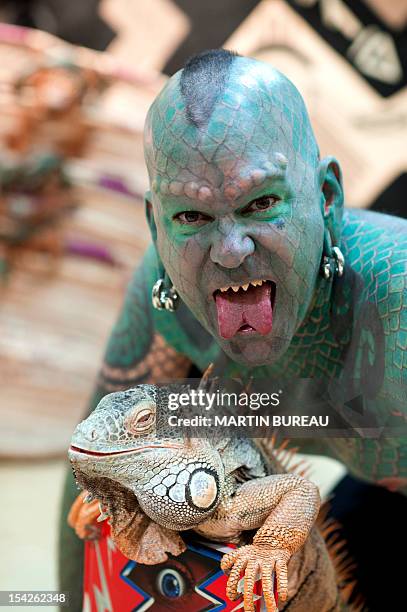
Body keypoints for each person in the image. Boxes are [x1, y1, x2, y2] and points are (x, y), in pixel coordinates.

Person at [59, 50, 407, 610]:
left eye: (262, 203)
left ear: (326, 198)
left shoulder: (397, 292)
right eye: (191, 217)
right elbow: (99, 455)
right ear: (156, 225)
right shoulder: (164, 297)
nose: (230, 251)